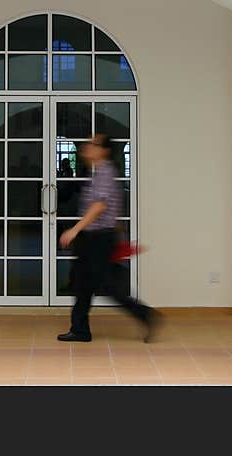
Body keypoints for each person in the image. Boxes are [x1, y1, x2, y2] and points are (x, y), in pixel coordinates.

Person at [57, 133, 161, 343]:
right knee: (82, 283)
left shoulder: (104, 173)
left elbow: (99, 205)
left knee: (107, 286)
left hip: (97, 240)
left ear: (103, 151)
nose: (87, 146)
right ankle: (79, 329)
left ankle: (145, 315)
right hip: (94, 238)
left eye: (93, 143)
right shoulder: (98, 173)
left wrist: (75, 229)